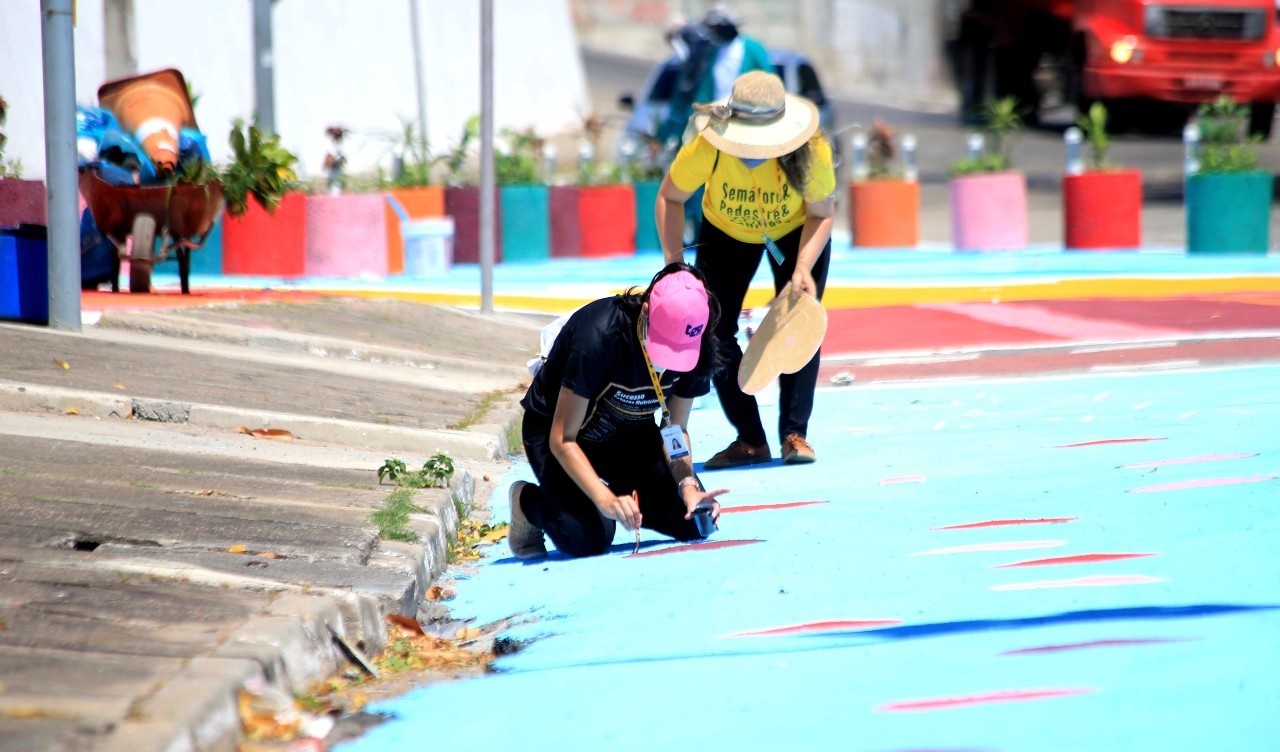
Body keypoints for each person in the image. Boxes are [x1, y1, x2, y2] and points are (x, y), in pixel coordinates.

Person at [655, 70, 836, 468]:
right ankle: (750, 439)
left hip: (795, 231)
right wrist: (674, 264)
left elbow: (822, 213)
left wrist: (803, 267)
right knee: (712, 330)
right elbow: (669, 197)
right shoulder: (709, 145)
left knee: (798, 320)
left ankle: (795, 434)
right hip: (725, 231)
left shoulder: (813, 149)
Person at [508, 263, 729, 560]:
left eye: (682, 349)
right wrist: (605, 500)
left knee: (694, 520)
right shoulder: (599, 335)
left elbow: (675, 429)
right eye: (665, 344)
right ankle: (527, 502)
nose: (673, 358)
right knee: (588, 539)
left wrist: (688, 485)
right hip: (561, 434)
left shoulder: (699, 347)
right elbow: (563, 438)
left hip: (628, 433)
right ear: (647, 310)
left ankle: (617, 495)